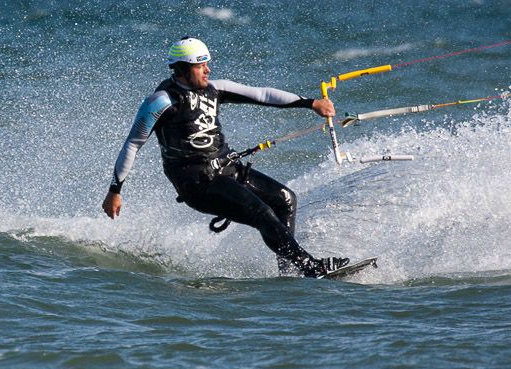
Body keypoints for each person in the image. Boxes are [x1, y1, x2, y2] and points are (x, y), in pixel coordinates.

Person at [101, 37, 350, 278]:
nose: (207, 70)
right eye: (201, 65)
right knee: (261, 212)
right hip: (197, 183)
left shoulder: (215, 89)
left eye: (207, 63)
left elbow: (262, 94)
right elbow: (133, 144)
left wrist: (311, 103)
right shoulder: (161, 101)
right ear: (183, 69)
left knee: (285, 200)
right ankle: (311, 267)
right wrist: (115, 190)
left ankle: (290, 272)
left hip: (227, 170)